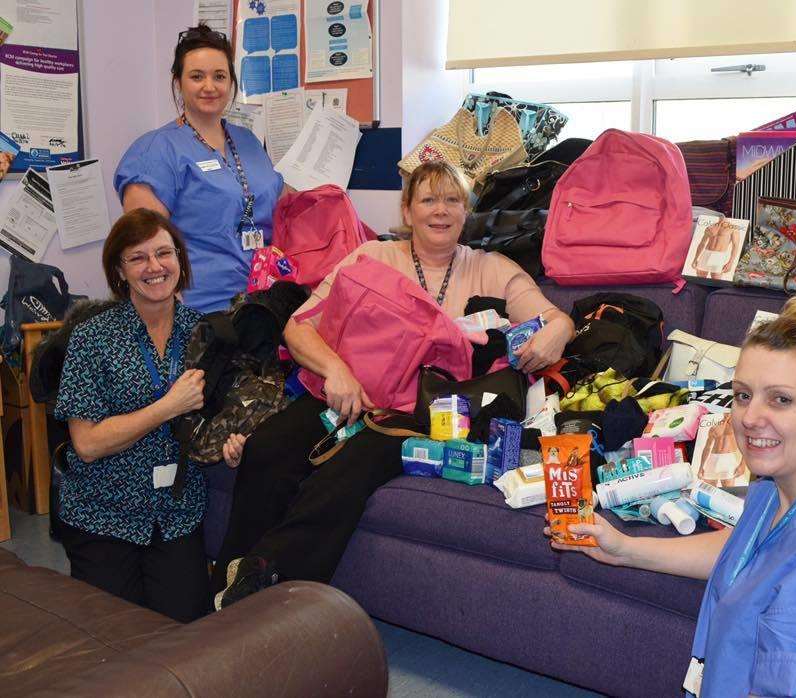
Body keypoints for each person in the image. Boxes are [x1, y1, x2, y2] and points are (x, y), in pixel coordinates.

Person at [212, 160, 576, 609]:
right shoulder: (370, 258)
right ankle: (227, 571)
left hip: (423, 416)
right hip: (350, 393)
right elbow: (297, 329)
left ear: (466, 212)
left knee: (352, 465)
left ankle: (269, 581)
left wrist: (559, 327)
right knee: (270, 447)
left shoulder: (493, 269)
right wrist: (337, 371)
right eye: (428, 199)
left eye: (452, 200)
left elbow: (555, 319)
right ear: (407, 211)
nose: (439, 211)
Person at [552, 297, 796, 697]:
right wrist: (627, 549)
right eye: (743, 394)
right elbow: (761, 552)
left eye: (781, 399)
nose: (750, 418)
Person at [54, 208, 211, 622]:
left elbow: (213, 419)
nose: (155, 266)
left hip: (176, 513)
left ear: (180, 259)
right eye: (138, 257)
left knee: (187, 637)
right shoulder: (92, 338)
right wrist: (166, 407)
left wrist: (231, 443)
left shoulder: (206, 333)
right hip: (104, 512)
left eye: (164, 253)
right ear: (120, 272)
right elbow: (86, 444)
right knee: (115, 641)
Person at [114, 24, 284, 313]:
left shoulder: (249, 141)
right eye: (197, 76)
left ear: (231, 83)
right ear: (178, 82)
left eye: (219, 76)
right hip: (200, 312)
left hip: (265, 306)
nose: (210, 86)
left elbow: (281, 206)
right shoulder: (156, 151)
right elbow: (144, 253)